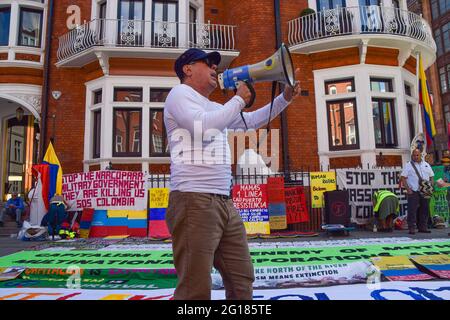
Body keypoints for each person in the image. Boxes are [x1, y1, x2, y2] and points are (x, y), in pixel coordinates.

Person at [164, 48, 301, 300]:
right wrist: (238, 99)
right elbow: (202, 128)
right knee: (195, 286)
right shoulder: (179, 94)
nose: (215, 68)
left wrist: (284, 98)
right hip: (194, 200)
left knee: (241, 275)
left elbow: (250, 121)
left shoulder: (214, 106)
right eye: (208, 63)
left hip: (224, 203)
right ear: (188, 69)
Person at [400, 148, 434, 235]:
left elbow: (431, 176)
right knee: (412, 210)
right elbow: (403, 178)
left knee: (425, 209)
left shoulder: (426, 165)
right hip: (414, 191)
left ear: (421, 155)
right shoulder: (408, 165)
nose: (416, 157)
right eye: (414, 155)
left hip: (425, 191)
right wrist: (408, 189)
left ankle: (423, 227)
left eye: (417, 155)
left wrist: (430, 186)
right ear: (412, 156)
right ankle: (411, 228)